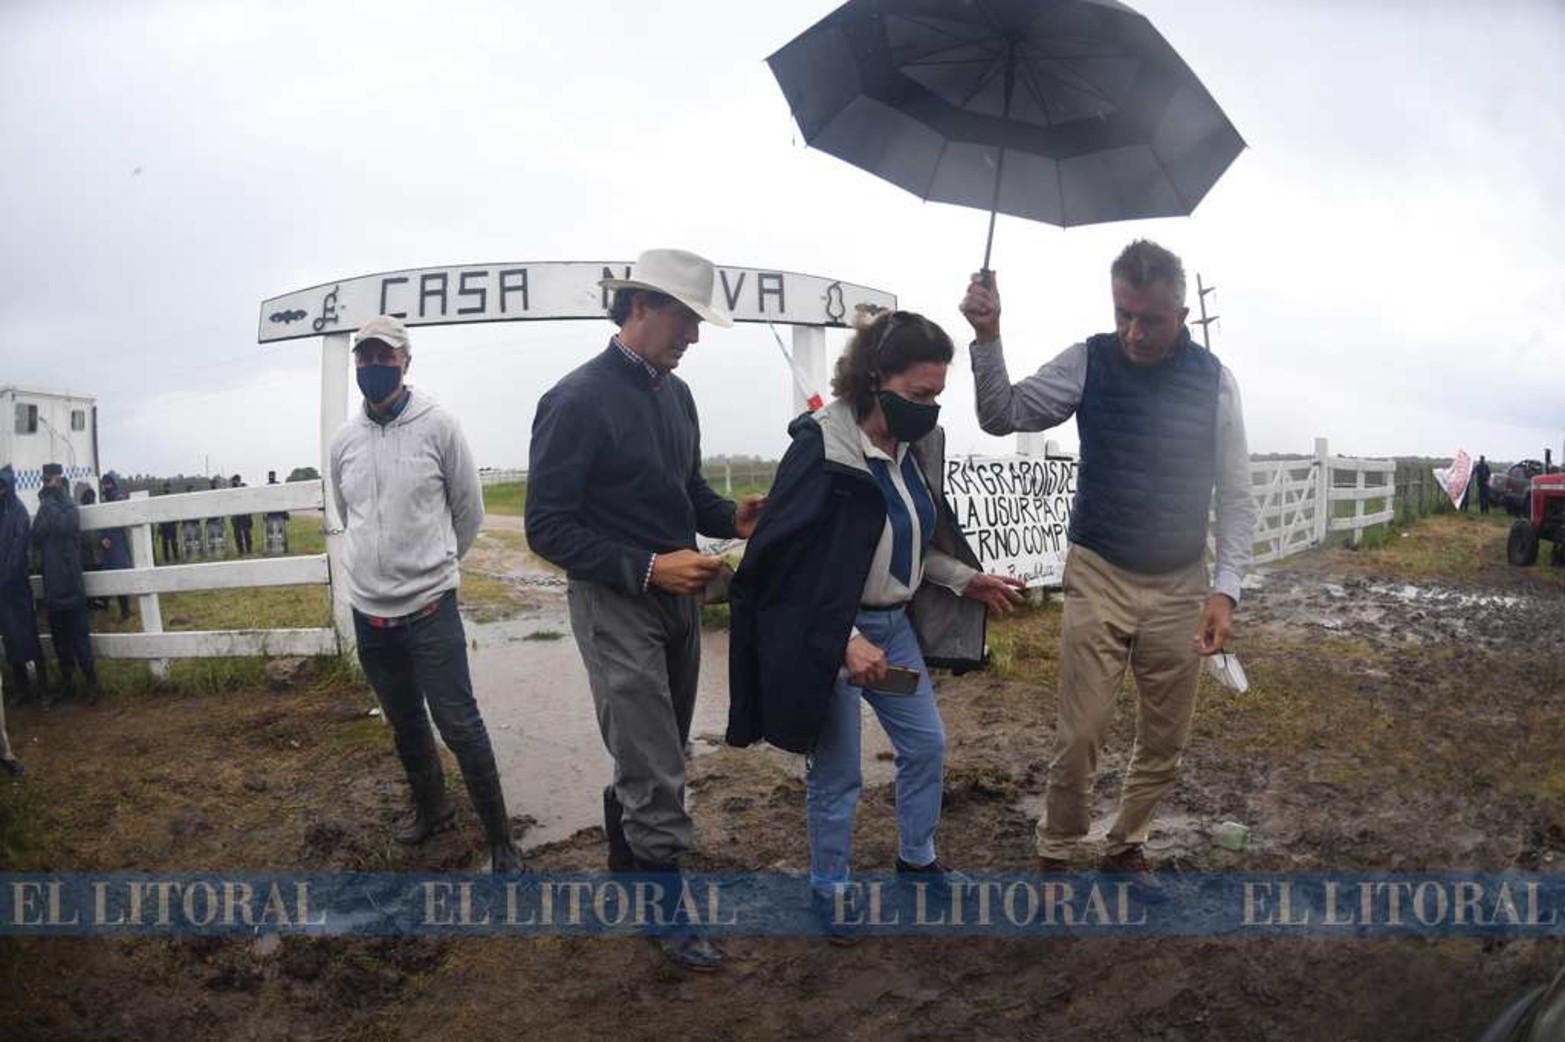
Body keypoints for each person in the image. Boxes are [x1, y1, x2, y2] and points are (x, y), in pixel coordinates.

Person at [960, 239, 1258, 877]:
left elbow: (1236, 494)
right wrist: (988, 336)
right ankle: (1058, 846)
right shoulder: (1088, 360)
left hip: (1181, 584)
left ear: (1180, 312)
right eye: (1123, 312)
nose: (1132, 330)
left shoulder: (1216, 384)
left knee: (1166, 739)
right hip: (1098, 571)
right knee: (1082, 731)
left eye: (1148, 317)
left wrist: (1224, 592)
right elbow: (1000, 414)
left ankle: (1127, 844)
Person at [726, 309, 1026, 938]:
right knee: (839, 773)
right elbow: (784, 572)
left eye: (938, 395)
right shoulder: (822, 453)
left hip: (891, 640)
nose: (930, 408)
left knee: (926, 745)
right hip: (833, 643)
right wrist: (843, 642)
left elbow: (911, 542)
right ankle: (829, 891)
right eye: (919, 395)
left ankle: (917, 861)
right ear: (874, 379)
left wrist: (961, 577)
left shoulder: (911, 451)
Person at [526, 247, 764, 972]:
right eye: (685, 319)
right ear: (639, 307)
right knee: (655, 757)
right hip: (615, 600)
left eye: (697, 323)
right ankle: (666, 912)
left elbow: (684, 492)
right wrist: (649, 566)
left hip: (677, 600)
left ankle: (628, 872)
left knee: (657, 745)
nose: (693, 336)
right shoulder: (575, 400)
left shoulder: (674, 393)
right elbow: (547, 527)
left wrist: (732, 516)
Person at [328, 314, 522, 875]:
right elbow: (349, 515)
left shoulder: (440, 427)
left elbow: (469, 512)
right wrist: (376, 571)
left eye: (384, 357)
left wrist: (434, 568)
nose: (373, 366)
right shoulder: (344, 441)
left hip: (431, 609)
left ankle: (502, 842)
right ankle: (432, 808)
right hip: (371, 615)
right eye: (364, 357)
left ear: (406, 362)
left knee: (459, 724)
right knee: (405, 721)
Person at [31, 463, 99, 703]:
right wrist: (47, 505)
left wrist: (48, 500)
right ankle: (68, 682)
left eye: (51, 479)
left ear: (59, 480)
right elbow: (36, 536)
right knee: (60, 639)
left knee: (79, 635)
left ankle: (92, 682)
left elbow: (63, 526)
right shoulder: (47, 507)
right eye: (47, 479)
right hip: (52, 584)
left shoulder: (68, 505)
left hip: (70, 583)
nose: (49, 483)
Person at [0, 465, 50, 700]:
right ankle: (22, 689)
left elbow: (19, 549)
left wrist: (7, 576)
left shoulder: (18, 512)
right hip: (3, 589)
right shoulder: (3, 511)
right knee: (10, 639)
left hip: (16, 586)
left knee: (28, 635)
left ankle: (43, 687)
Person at [95, 472, 133, 622]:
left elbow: (122, 520)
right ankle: (105, 605)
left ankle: (125, 611)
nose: (106, 487)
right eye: (104, 484)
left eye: (108, 483)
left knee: (120, 576)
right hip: (107, 546)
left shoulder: (118, 498)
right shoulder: (104, 501)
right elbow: (99, 522)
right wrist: (102, 537)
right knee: (107, 576)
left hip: (118, 543)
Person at [263, 471, 289, 555]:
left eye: (272, 475)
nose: (271, 477)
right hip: (270, 514)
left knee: (281, 533)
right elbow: (264, 501)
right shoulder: (266, 487)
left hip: (279, 513)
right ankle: (270, 549)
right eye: (270, 475)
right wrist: (264, 513)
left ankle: (283, 548)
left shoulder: (278, 486)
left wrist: (285, 512)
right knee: (270, 533)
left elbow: (283, 499)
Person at [229, 475, 254, 555]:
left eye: (236, 481)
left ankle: (249, 550)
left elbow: (248, 500)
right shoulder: (231, 491)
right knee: (237, 534)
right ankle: (241, 551)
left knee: (247, 534)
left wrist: (249, 514)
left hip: (244, 515)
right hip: (236, 516)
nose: (235, 483)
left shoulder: (244, 488)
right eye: (234, 481)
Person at [204, 476, 228, 558]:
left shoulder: (219, 494)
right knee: (211, 538)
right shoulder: (207, 495)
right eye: (212, 483)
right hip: (211, 520)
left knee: (220, 537)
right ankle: (212, 554)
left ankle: (221, 553)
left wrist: (222, 519)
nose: (213, 485)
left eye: (214, 483)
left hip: (219, 520)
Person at [157, 483, 179, 563]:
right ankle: (166, 558)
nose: (166, 489)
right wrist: (160, 524)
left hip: (171, 522)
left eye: (167, 487)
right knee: (164, 542)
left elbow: (175, 509)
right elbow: (160, 511)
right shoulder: (161, 499)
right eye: (165, 487)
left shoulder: (172, 498)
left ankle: (176, 557)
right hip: (164, 523)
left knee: (174, 541)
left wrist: (176, 519)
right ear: (163, 488)